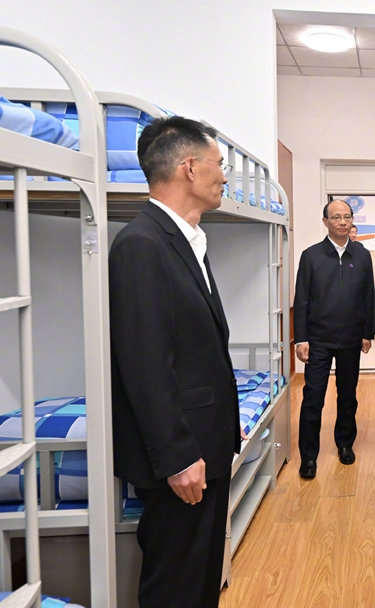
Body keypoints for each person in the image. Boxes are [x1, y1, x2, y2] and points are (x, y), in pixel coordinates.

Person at [109, 116, 240, 607]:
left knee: (201, 576)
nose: (224, 176)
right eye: (218, 165)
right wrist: (178, 456)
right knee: (176, 585)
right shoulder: (141, 245)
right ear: (189, 168)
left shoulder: (188, 239)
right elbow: (145, 363)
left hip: (206, 439)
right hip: (183, 456)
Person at [294, 200, 374, 479]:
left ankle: (345, 444)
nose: (342, 222)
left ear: (352, 220)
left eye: (347, 217)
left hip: (351, 338)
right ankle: (308, 456)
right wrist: (300, 338)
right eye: (336, 217)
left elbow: (369, 296)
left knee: (348, 395)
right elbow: (301, 300)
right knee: (313, 398)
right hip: (318, 339)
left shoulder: (361, 255)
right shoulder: (311, 255)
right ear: (325, 221)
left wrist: (367, 332)